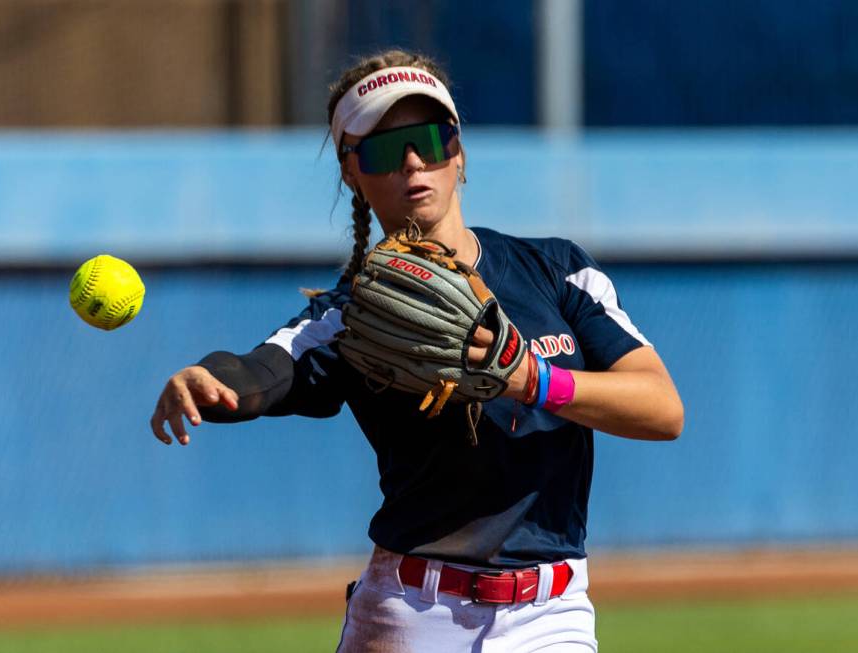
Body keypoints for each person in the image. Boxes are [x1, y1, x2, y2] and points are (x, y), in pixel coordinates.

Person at [150, 49, 684, 653]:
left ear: (457, 152)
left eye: (431, 139)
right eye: (381, 149)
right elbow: (261, 367)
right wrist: (207, 379)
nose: (411, 161)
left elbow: (662, 409)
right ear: (352, 172)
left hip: (551, 615)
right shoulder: (354, 315)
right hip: (412, 615)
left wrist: (532, 380)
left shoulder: (556, 272)